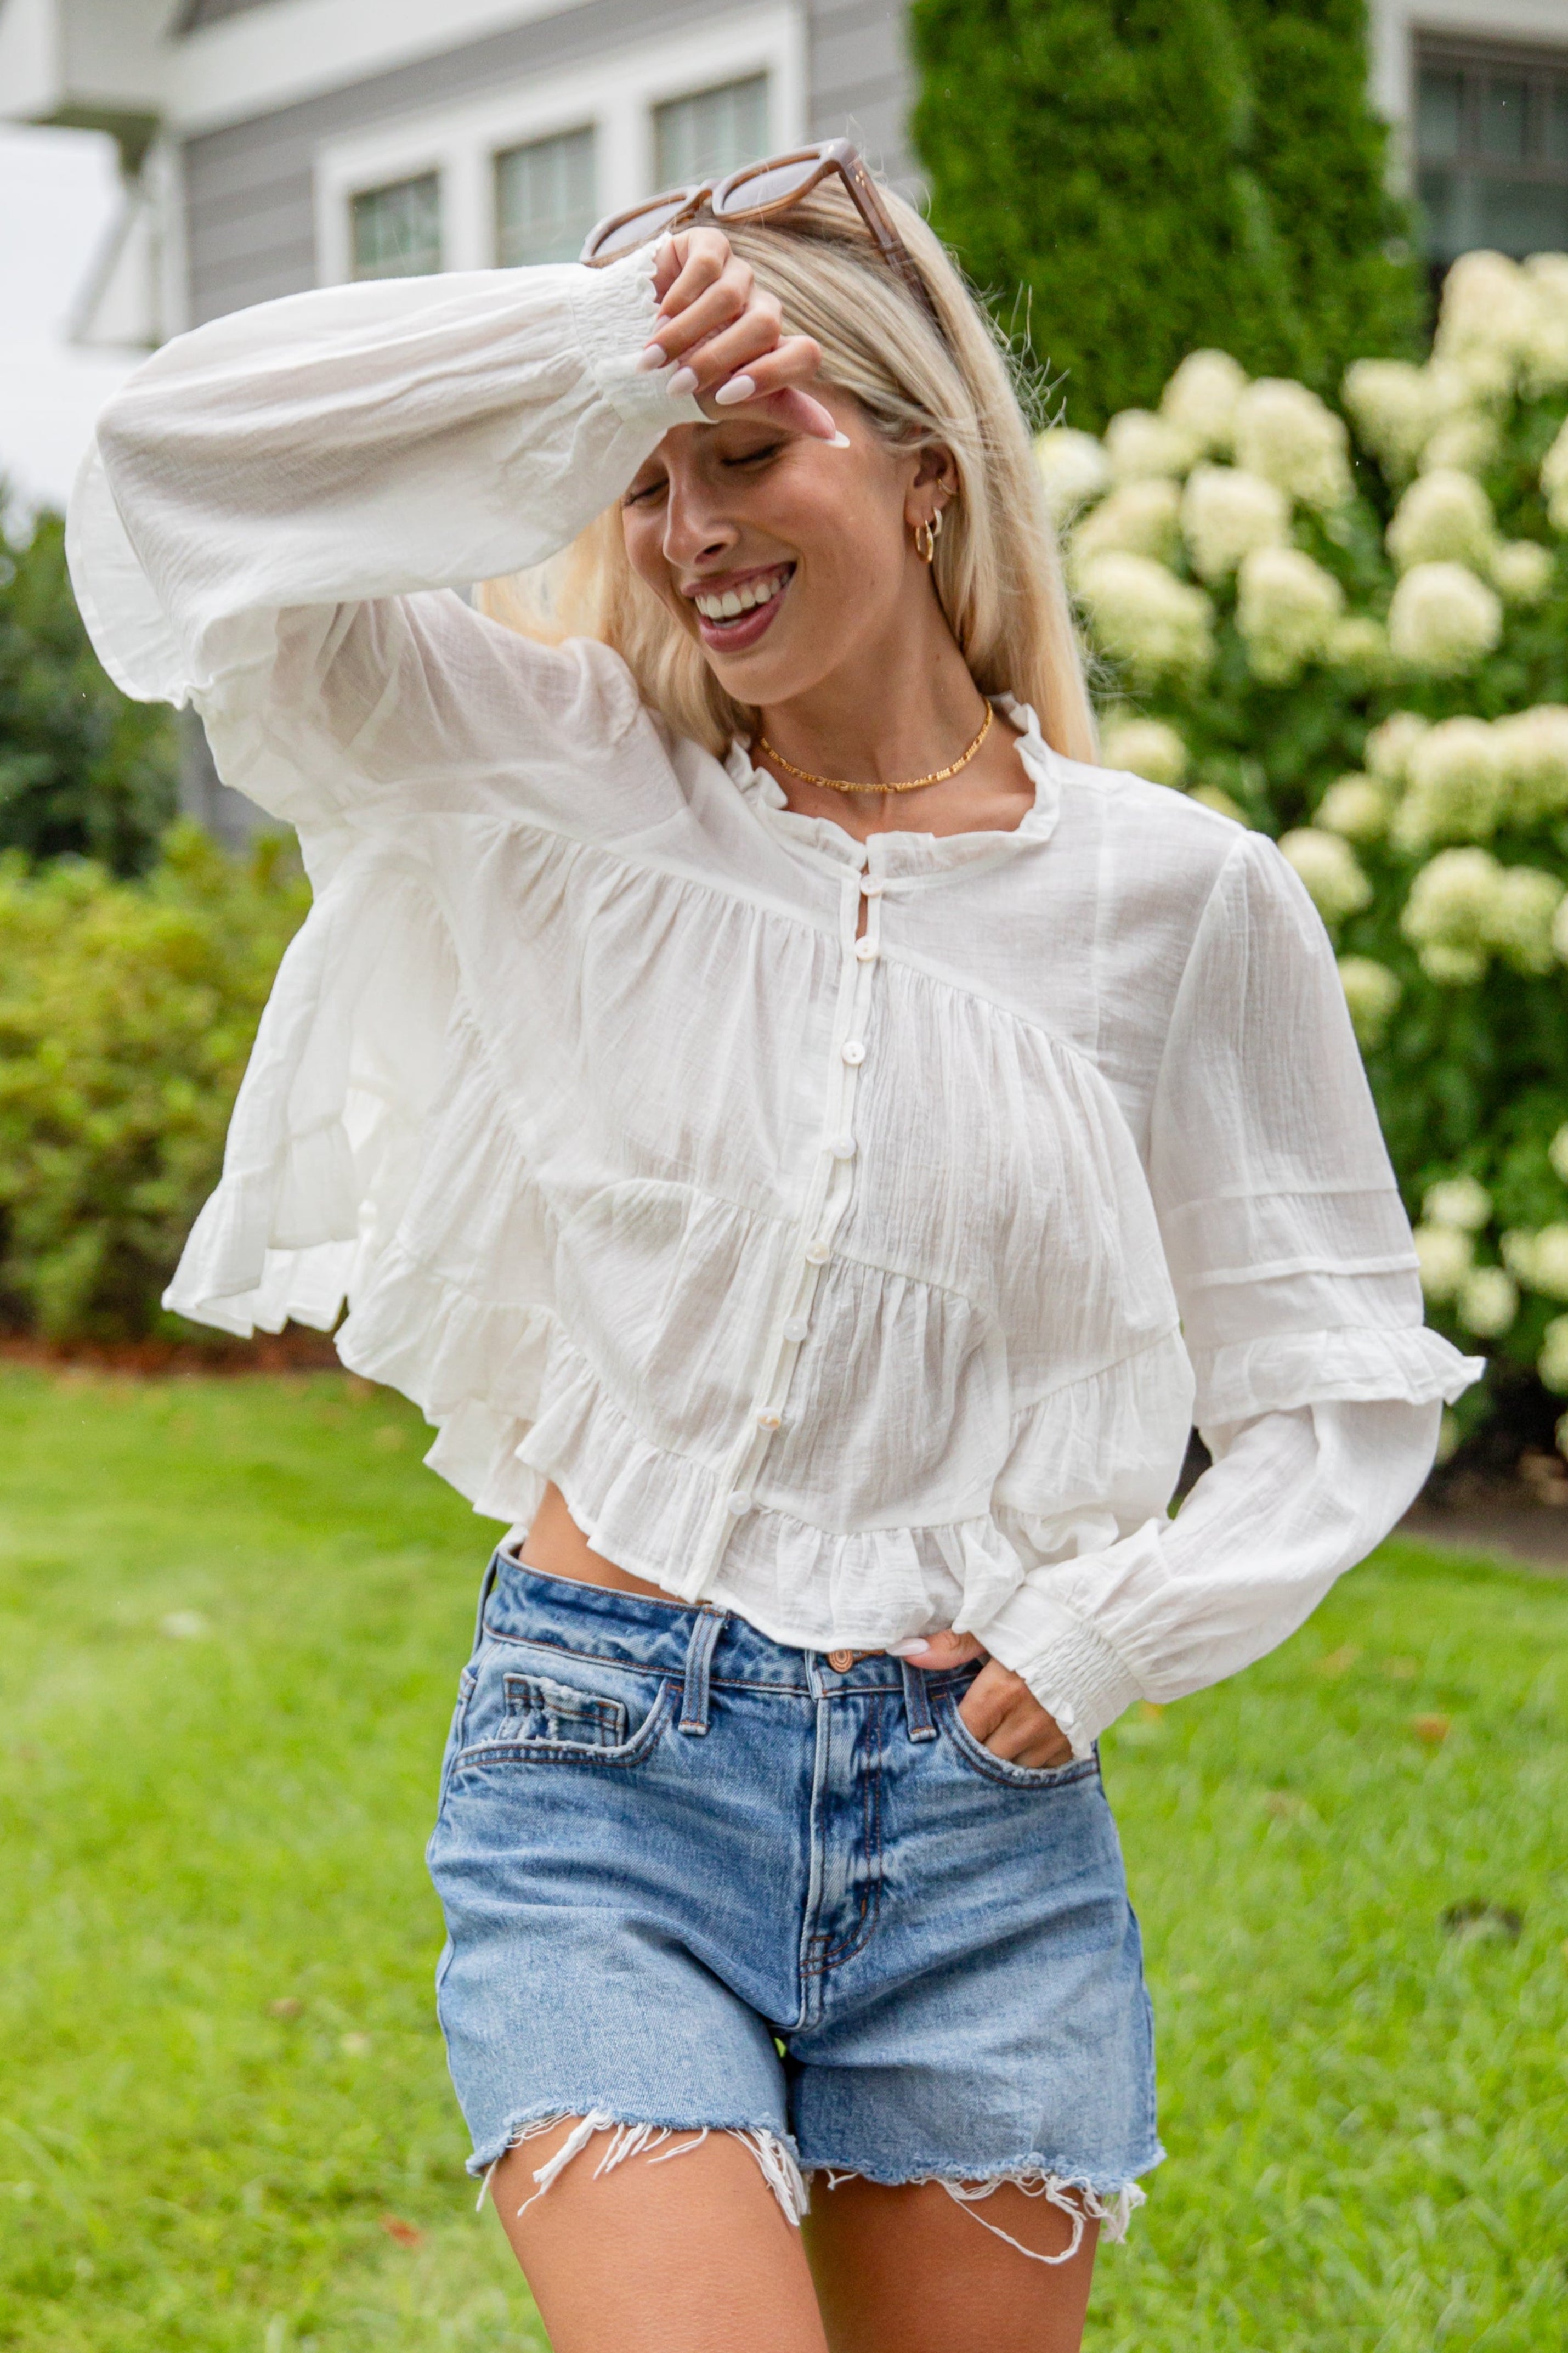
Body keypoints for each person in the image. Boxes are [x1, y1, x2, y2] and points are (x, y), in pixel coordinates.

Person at [69, 146, 1478, 2353]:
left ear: (927, 478)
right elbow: (183, 469)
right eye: (645, 480)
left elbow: (1337, 1378)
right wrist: (591, 345)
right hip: (601, 1771)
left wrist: (1121, 1625)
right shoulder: (549, 772)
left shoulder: (1176, 905)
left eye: (747, 452)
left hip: (979, 1832)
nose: (693, 525)